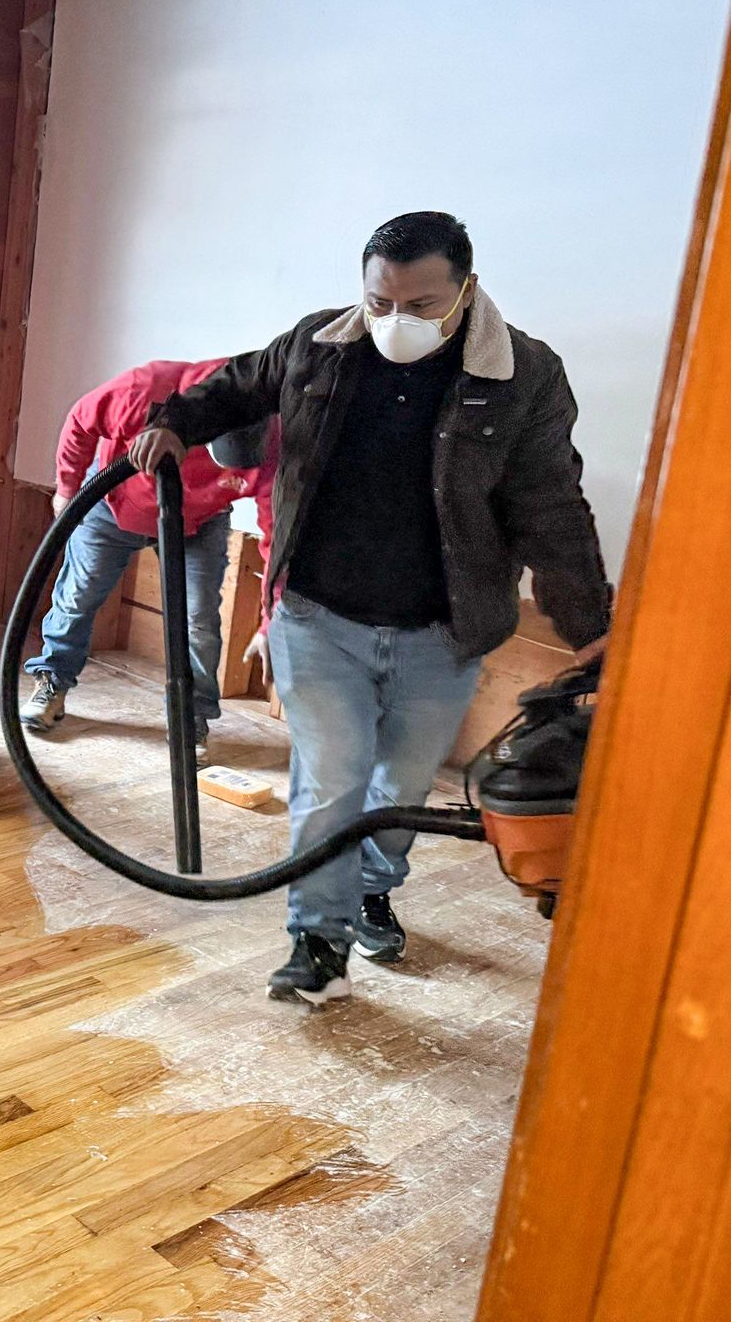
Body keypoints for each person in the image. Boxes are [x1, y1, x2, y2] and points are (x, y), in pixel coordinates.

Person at [130, 212, 610, 1005]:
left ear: (465, 293)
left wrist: (591, 627)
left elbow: (551, 506)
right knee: (331, 779)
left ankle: (372, 889)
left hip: (442, 632)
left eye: (422, 306)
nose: (397, 322)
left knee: (401, 791)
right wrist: (174, 423)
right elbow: (238, 383)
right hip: (320, 618)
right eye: (381, 302)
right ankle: (316, 942)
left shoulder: (524, 373)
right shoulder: (320, 344)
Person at [20, 359, 277, 762]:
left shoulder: (273, 443)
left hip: (200, 520)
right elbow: (81, 421)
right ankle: (52, 681)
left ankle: (189, 716)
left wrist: (269, 620)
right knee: (79, 595)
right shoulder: (144, 392)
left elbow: (276, 536)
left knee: (198, 618)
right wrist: (67, 490)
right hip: (113, 501)